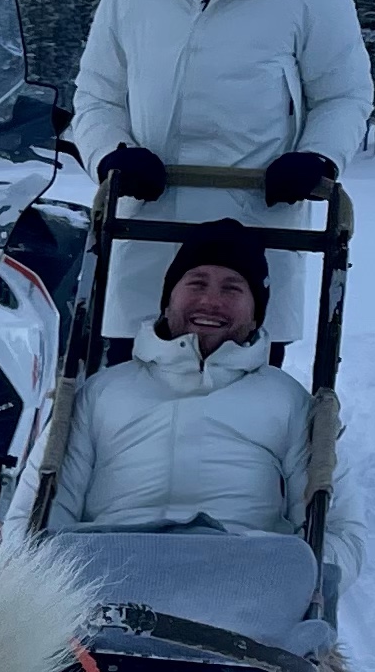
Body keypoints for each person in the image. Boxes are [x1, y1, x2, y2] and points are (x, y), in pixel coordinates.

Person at [72, 0, 371, 329]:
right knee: (126, 399)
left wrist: (317, 159)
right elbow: (97, 93)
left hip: (258, 226)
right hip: (146, 225)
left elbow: (343, 92)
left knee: (249, 402)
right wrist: (111, 154)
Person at [48, 217, 359, 582]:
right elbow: (43, 511)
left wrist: (292, 579)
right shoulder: (100, 394)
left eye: (233, 288)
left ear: (256, 314)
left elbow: (340, 534)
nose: (211, 301)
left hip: (243, 583)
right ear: (167, 302)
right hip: (107, 577)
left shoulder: (290, 402)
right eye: (196, 283)